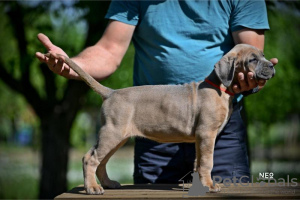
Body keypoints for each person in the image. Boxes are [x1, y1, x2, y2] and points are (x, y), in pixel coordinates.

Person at [36, 0, 278, 184]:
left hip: (221, 132)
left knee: (220, 194)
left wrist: (250, 78)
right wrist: (74, 64)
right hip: (153, 125)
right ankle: (95, 169)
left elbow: (251, 54)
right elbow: (109, 50)